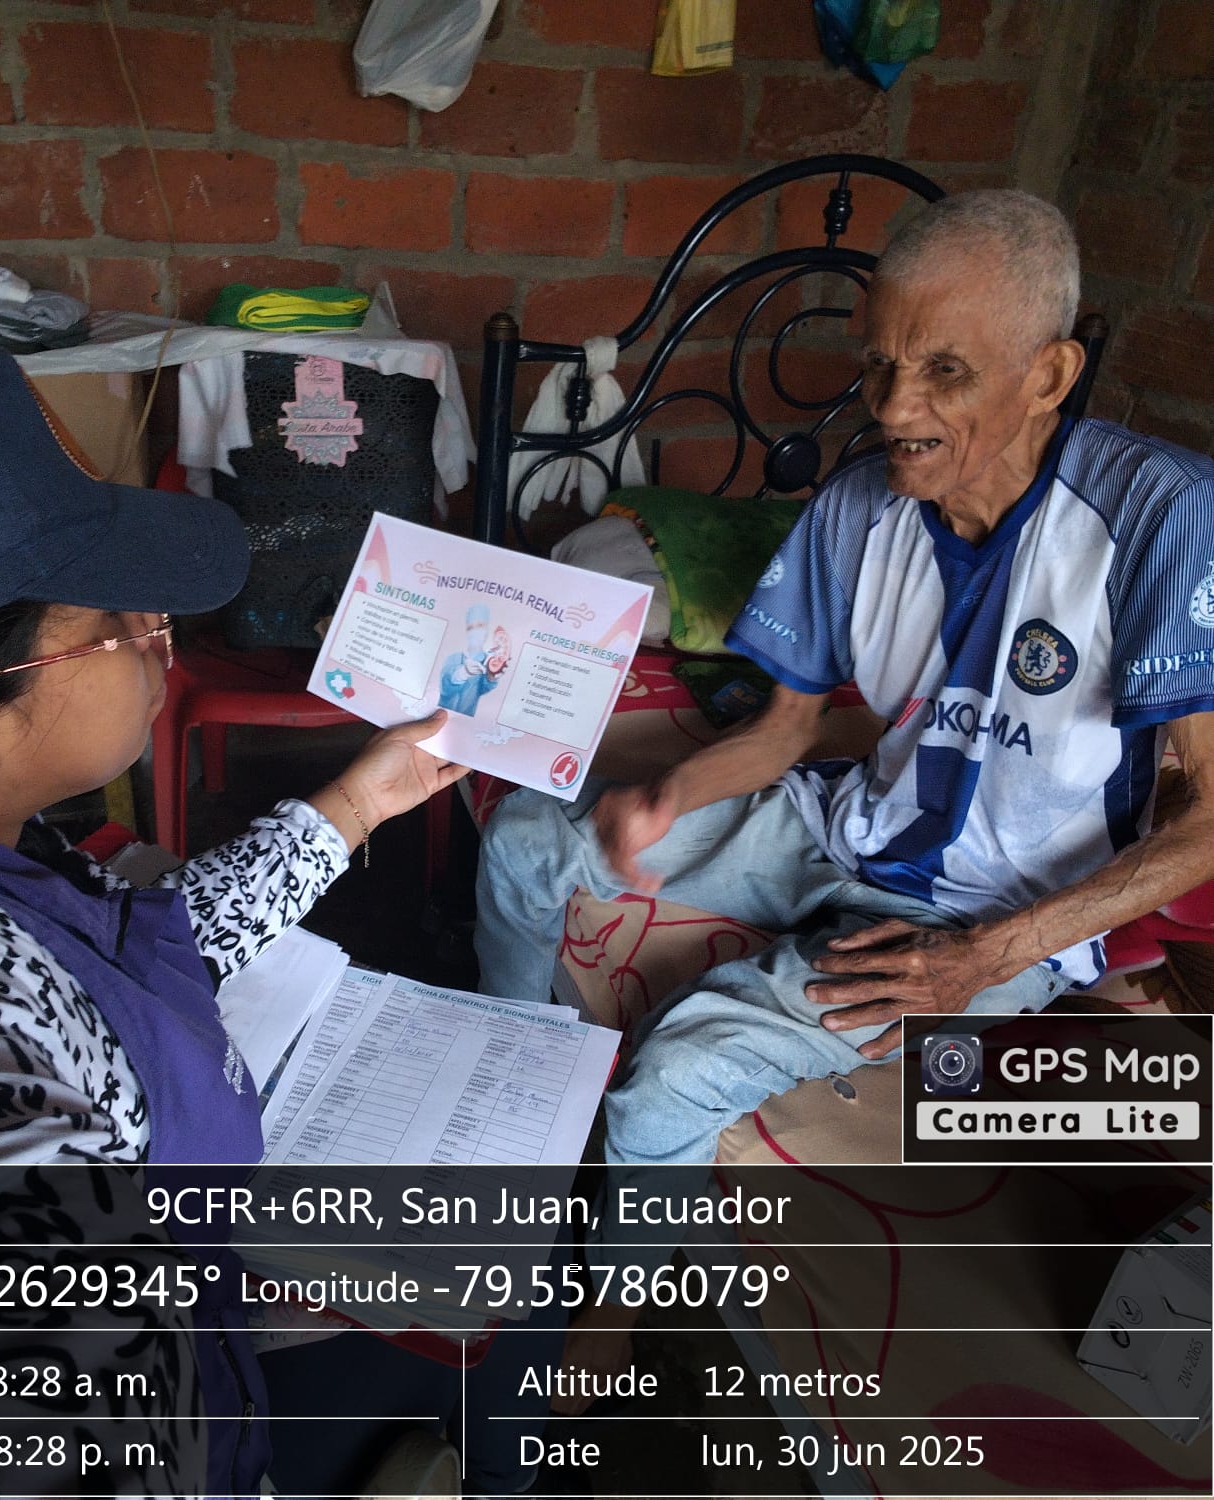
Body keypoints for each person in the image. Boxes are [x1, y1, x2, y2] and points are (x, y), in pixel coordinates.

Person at [0, 320, 536, 1496]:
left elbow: (129, 953)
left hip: (210, 1333)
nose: (159, 636)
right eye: (114, 622)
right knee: (519, 1305)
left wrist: (356, 804)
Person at [474, 189, 1214, 1393]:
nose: (895, 408)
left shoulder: (1165, 515)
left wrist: (983, 960)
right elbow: (787, 728)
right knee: (522, 839)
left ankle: (603, 1329)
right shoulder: (862, 502)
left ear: (1049, 375)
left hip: (994, 912)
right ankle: (507, 1112)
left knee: (677, 1071)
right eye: (879, 366)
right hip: (846, 821)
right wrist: (668, 795)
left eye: (944, 371)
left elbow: (1209, 823)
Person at [439, 602, 509, 715]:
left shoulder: (486, 661)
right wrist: (463, 672)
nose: (475, 631)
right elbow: (445, 686)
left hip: (465, 718)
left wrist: (492, 676)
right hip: (439, 713)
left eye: (480, 626)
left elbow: (485, 688)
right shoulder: (453, 658)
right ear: (466, 631)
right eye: (471, 627)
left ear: (486, 630)